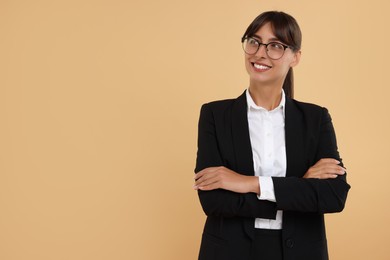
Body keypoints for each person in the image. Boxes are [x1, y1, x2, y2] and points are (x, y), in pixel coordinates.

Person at [193, 11, 350, 260]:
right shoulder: (215, 114)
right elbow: (213, 201)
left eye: (275, 45)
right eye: (254, 41)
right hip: (229, 251)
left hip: (302, 251)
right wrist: (300, 185)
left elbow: (334, 196)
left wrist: (248, 183)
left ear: (295, 57)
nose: (260, 52)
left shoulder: (315, 118)